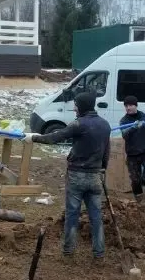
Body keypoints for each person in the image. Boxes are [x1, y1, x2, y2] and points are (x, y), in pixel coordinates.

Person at [28, 92, 111, 258]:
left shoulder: (78, 124)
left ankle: (68, 250)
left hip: (76, 175)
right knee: (96, 216)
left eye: (75, 105)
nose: (74, 108)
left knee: (72, 214)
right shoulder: (105, 125)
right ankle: (99, 252)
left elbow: (55, 137)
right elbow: (106, 151)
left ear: (81, 106)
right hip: (95, 176)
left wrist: (33, 138)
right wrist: (103, 169)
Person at [120, 96, 145, 203]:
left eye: (130, 105)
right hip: (132, 154)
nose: (128, 108)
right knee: (135, 180)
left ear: (136, 106)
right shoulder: (124, 121)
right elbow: (124, 135)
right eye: (126, 106)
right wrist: (133, 127)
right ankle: (139, 199)